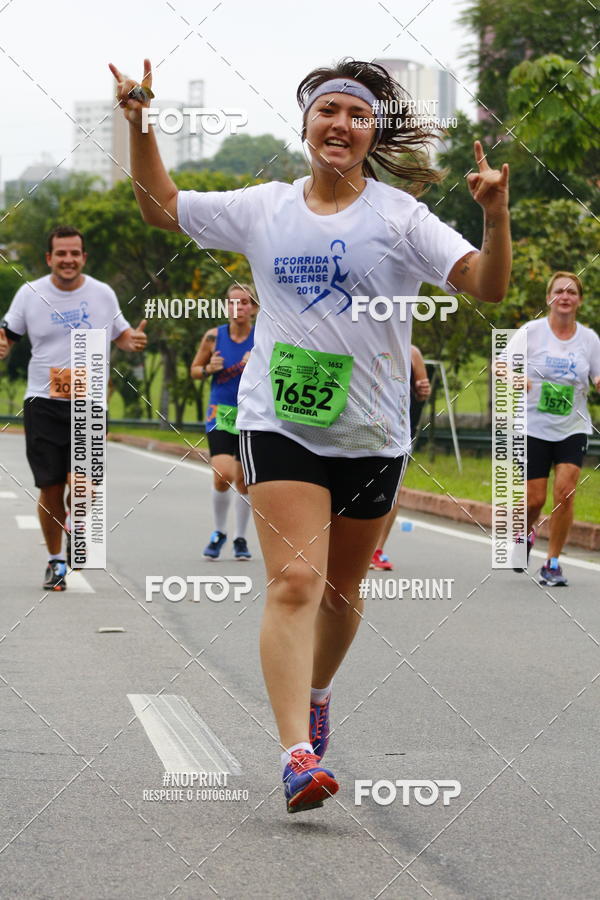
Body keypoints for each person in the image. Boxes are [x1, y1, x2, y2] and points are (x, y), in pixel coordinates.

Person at [111, 56, 511, 813]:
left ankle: (319, 694)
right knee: (295, 582)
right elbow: (161, 206)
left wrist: (494, 213)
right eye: (328, 109)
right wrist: (140, 124)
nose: (342, 124)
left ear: (372, 136)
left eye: (358, 116)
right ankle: (296, 753)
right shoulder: (264, 208)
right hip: (278, 423)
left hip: (372, 432)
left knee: (341, 591)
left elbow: (488, 285)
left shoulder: (401, 218)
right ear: (305, 125)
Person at [0, 226, 147, 591]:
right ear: (49, 258)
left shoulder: (102, 294)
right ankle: (55, 561)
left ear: (84, 257)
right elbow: (8, 336)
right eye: (61, 254)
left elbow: (122, 335)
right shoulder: (30, 294)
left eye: (74, 253)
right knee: (50, 488)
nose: (68, 260)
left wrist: (132, 341)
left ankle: (75, 525)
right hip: (43, 402)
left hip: (90, 404)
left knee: (83, 487)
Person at [512, 272, 600, 585]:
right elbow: (500, 364)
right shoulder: (531, 331)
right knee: (534, 500)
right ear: (549, 297)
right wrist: (515, 377)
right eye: (559, 291)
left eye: (572, 292)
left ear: (580, 300)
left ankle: (552, 563)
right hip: (532, 427)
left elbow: (598, 374)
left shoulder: (589, 339)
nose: (565, 296)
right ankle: (523, 535)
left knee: (565, 493)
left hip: (572, 427)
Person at [190, 283, 257, 560]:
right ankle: (219, 531)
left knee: (244, 480)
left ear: (254, 308)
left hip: (252, 414)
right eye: (232, 302)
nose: (237, 308)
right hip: (221, 412)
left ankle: (240, 538)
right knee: (223, 475)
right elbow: (194, 370)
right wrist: (209, 368)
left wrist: (258, 364)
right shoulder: (213, 336)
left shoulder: (262, 337)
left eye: (244, 302)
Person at [371, 344, 431, 570]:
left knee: (391, 489)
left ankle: (376, 550)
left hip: (399, 432)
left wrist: (422, 389)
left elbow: (422, 391)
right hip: (362, 426)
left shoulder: (412, 353)